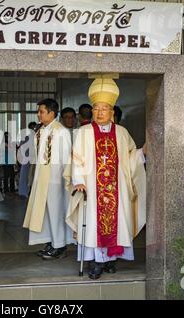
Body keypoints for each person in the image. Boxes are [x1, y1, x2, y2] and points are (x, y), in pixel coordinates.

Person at [67, 78, 146, 279]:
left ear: (112, 112)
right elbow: (76, 159)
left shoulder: (121, 133)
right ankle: (96, 262)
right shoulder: (84, 132)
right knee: (94, 224)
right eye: (96, 108)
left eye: (104, 109)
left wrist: (142, 152)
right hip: (92, 188)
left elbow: (129, 159)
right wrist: (79, 180)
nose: (99, 112)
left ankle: (110, 259)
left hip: (116, 187)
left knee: (117, 221)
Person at [23, 99, 74, 259]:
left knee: (56, 211)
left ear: (52, 113)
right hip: (42, 178)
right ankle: (50, 241)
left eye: (41, 111)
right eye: (38, 111)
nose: (38, 114)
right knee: (45, 212)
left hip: (55, 180)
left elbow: (66, 158)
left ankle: (59, 245)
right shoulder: (42, 130)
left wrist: (65, 178)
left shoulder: (61, 131)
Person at [18, 121, 36, 198]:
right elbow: (21, 147)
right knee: (25, 175)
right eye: (32, 128)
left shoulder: (38, 136)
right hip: (27, 159)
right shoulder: (26, 137)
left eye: (35, 128)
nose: (34, 129)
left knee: (33, 176)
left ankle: (32, 192)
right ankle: (23, 192)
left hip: (35, 159)